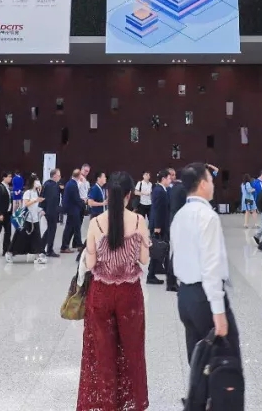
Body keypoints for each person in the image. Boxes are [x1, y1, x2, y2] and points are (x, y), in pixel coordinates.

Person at [77, 172, 149, 411]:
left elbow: (90, 264)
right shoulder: (139, 221)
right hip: (130, 294)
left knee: (102, 351)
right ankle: (132, 403)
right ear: (129, 195)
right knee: (132, 350)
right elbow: (144, 260)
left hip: (101, 294)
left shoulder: (96, 223)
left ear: (108, 194)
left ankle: (107, 404)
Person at [171, 162, 239, 366]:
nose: (213, 184)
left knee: (198, 363)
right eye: (210, 180)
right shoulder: (208, 216)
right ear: (202, 184)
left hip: (185, 297)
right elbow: (211, 266)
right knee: (224, 364)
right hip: (205, 298)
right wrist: (218, 310)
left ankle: (198, 389)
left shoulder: (179, 215)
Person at [14, 173, 47, 264]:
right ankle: (11, 252)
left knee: (37, 238)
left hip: (35, 219)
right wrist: (36, 200)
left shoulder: (36, 192)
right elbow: (26, 204)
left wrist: (40, 210)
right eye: (36, 180)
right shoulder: (27, 192)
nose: (38, 182)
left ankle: (39, 254)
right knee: (20, 236)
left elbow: (36, 205)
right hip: (28, 219)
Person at [147, 168, 173, 286]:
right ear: (163, 179)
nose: (170, 180)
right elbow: (157, 209)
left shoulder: (162, 190)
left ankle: (156, 271)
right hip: (159, 226)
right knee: (159, 249)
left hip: (161, 225)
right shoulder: (159, 191)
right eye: (169, 178)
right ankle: (152, 275)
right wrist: (157, 226)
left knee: (160, 249)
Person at [61, 169, 84, 253]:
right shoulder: (73, 185)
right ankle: (76, 245)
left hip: (71, 209)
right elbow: (76, 198)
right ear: (78, 176)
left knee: (71, 228)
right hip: (73, 209)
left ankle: (70, 245)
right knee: (75, 227)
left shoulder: (70, 183)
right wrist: (83, 203)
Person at [42, 168, 62, 257]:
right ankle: (49, 250)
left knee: (50, 230)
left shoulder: (51, 184)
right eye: (59, 175)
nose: (60, 177)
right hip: (51, 211)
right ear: (54, 176)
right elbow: (45, 198)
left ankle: (42, 247)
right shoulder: (50, 185)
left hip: (52, 210)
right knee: (52, 230)